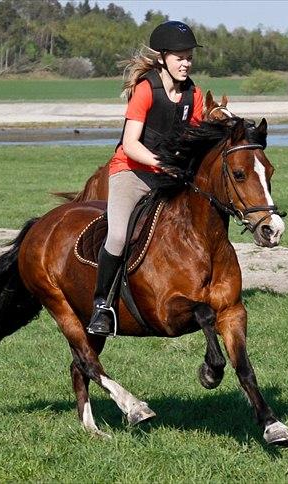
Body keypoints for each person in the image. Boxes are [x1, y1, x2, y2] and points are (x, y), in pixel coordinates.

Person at [87, 21, 204, 336]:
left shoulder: (195, 95)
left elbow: (191, 141)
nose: (186, 63)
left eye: (189, 57)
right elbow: (130, 144)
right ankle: (101, 307)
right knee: (119, 238)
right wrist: (163, 164)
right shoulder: (145, 90)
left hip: (168, 176)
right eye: (180, 57)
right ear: (163, 57)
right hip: (132, 172)